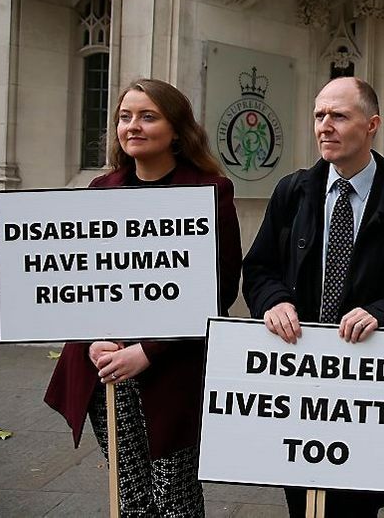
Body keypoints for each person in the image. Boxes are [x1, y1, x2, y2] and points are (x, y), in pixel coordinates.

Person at [45, 78, 243, 516]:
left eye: (148, 116)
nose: (132, 126)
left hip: (173, 369)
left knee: (175, 499)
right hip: (106, 367)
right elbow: (82, 281)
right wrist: (90, 339)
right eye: (125, 116)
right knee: (130, 497)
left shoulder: (210, 192)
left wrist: (148, 350)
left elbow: (220, 291)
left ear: (177, 130)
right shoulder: (102, 189)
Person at [241, 76, 384, 518]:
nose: (324, 125)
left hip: (369, 383)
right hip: (299, 378)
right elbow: (259, 268)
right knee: (302, 500)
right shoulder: (294, 190)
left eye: (339, 116)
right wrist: (274, 301)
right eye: (319, 115)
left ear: (372, 125)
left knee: (354, 505)